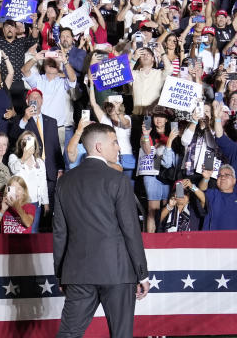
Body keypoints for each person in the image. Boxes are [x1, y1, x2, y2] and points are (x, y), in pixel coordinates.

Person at [53, 123, 149, 338]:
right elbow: (130, 231)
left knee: (69, 334)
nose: (118, 148)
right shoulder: (118, 180)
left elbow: (60, 233)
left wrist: (60, 275)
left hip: (77, 273)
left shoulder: (64, 182)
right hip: (117, 271)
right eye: (114, 142)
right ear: (98, 146)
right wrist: (142, 274)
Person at [197, 165, 237, 230]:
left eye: (227, 175)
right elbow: (201, 191)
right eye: (219, 176)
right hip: (214, 239)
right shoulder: (212, 195)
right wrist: (206, 178)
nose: (223, 177)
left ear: (234, 180)